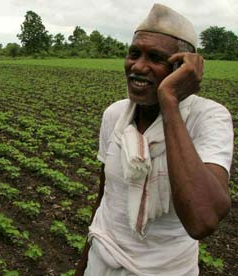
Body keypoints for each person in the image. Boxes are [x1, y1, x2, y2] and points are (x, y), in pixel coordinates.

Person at [75, 3, 234, 276]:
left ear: (183, 67)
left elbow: (202, 220)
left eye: (156, 58)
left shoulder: (208, 118)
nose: (138, 66)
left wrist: (169, 101)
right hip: (101, 263)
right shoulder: (115, 115)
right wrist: (84, 263)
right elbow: (106, 198)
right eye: (134, 53)